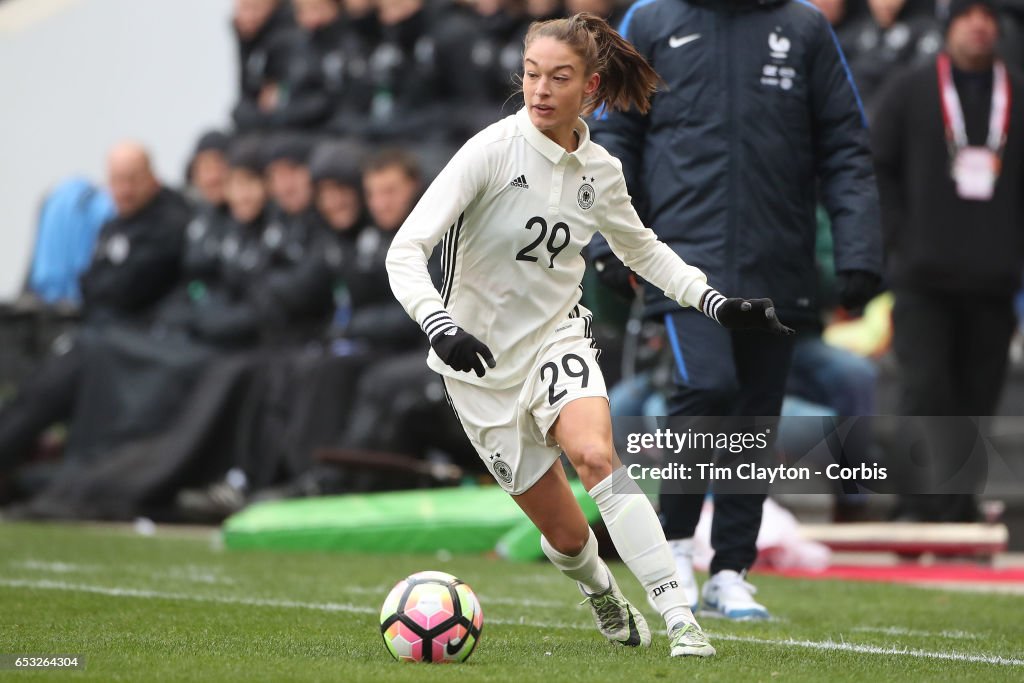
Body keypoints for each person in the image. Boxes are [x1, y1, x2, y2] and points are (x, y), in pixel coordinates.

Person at [387, 13, 792, 659]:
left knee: (598, 458)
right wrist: (441, 325)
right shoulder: (491, 150)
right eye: (531, 74)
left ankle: (680, 617)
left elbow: (645, 250)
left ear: (592, 88)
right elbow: (404, 252)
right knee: (569, 536)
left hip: (556, 339)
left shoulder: (599, 170)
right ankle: (602, 590)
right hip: (477, 369)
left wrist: (714, 302)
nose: (541, 89)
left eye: (559, 77)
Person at [589, 0, 883, 619]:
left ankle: (729, 571)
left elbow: (844, 144)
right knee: (708, 389)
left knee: (756, 413)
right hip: (681, 260)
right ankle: (673, 552)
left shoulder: (803, 27)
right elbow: (612, 140)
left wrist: (859, 250)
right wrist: (607, 241)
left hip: (778, 260)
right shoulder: (650, 21)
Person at [872, 0, 1024, 522]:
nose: (980, 25)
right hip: (923, 276)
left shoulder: (1017, 92)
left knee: (977, 394)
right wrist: (900, 238)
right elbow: (876, 166)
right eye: (968, 15)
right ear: (950, 24)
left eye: (989, 16)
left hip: (994, 277)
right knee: (926, 391)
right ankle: (916, 506)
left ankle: (959, 509)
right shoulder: (911, 89)